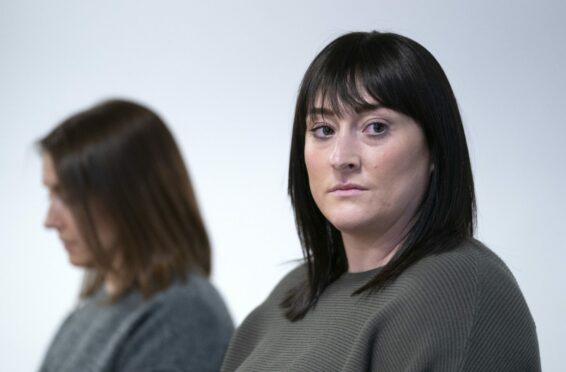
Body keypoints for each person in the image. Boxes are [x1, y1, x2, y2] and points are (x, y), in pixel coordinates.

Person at [221, 31, 540, 371]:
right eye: (324, 130)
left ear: (434, 149)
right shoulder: (292, 293)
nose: (341, 157)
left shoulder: (456, 289)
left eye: (375, 127)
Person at [38, 99, 234, 372]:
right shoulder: (90, 311)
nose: (50, 221)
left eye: (69, 196)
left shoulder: (182, 315)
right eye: (50, 194)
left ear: (128, 196)